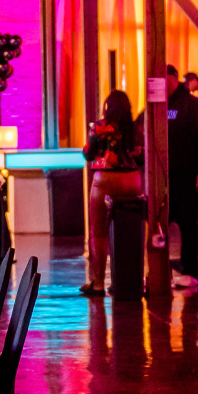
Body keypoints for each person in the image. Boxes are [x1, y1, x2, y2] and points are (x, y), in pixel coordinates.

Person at [80, 90, 142, 295]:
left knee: (98, 233)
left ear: (107, 107)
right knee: (132, 231)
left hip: (105, 181)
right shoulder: (135, 129)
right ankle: (133, 281)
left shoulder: (98, 127)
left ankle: (97, 283)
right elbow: (141, 156)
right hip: (132, 180)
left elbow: (88, 155)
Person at [163, 65, 198, 285]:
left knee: (188, 226)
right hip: (164, 178)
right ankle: (164, 271)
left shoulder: (193, 107)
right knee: (161, 227)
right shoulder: (157, 107)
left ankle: (190, 271)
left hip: (185, 176)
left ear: (174, 79)